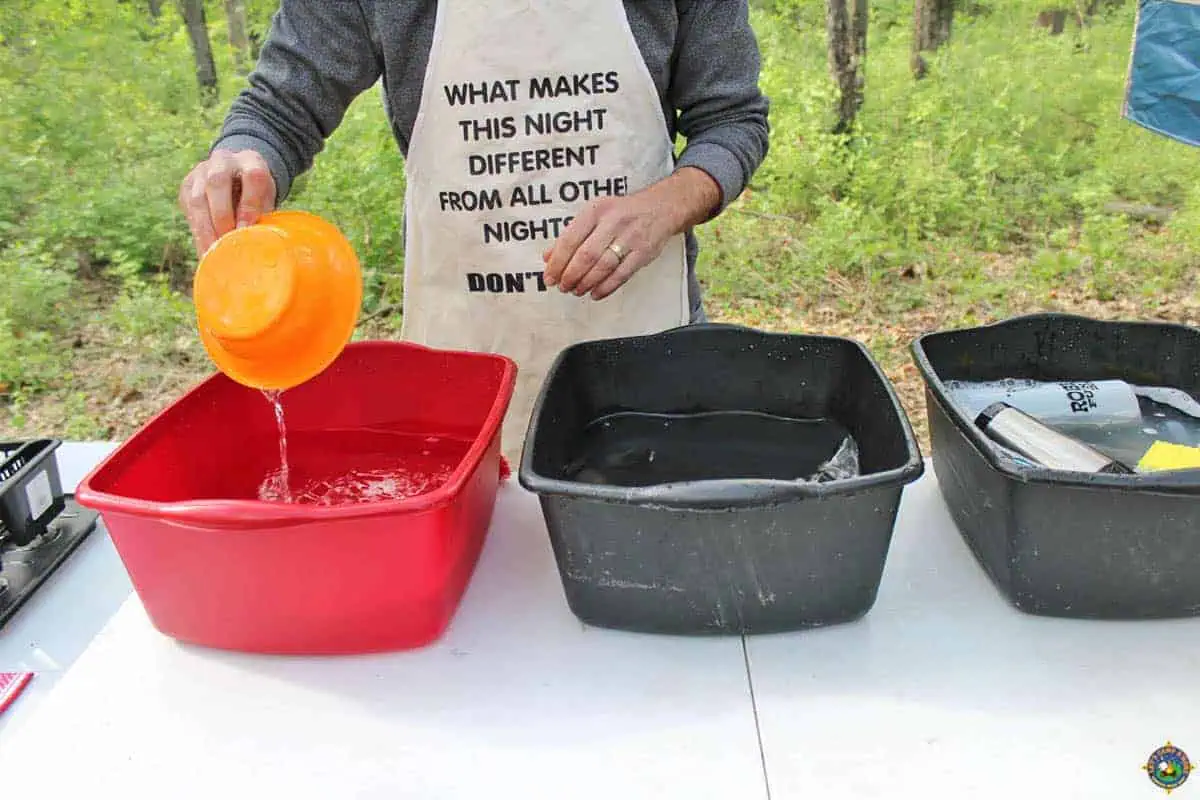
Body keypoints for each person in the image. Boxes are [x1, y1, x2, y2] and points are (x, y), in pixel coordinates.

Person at [179, 0, 770, 461]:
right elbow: (281, 106)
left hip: (646, 342)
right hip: (462, 358)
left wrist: (664, 204)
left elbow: (733, 120)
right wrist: (242, 156)